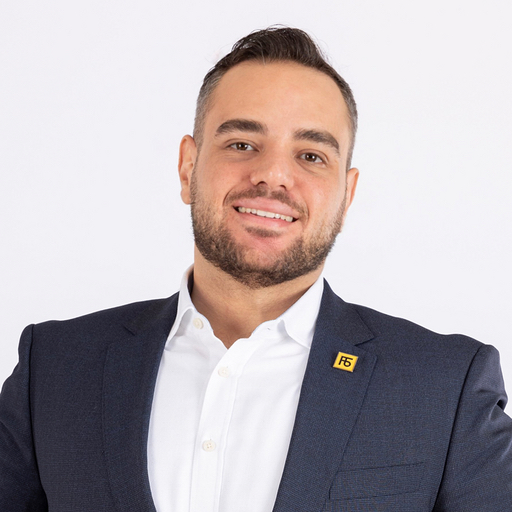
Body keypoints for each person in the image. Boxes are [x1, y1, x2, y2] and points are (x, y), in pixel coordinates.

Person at [0, 26, 511, 512]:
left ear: (347, 194)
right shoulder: (55, 369)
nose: (272, 175)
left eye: (311, 155)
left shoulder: (445, 388)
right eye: (242, 144)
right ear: (188, 167)